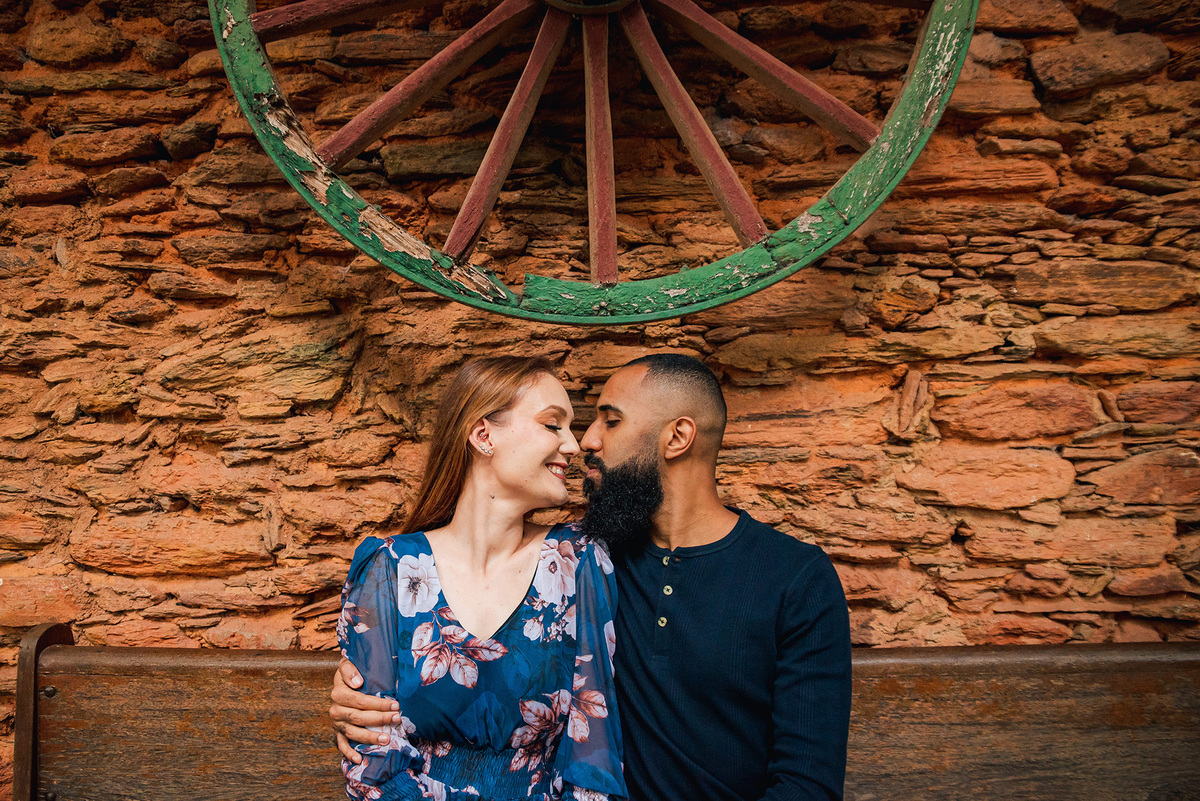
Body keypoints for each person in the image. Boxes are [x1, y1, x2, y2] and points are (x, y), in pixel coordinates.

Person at [334, 354, 852, 801]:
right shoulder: (596, 553)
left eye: (609, 420)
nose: (584, 442)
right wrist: (354, 700)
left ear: (677, 437)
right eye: (560, 424)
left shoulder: (793, 579)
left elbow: (807, 784)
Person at [335, 355, 626, 801]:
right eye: (553, 425)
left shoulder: (579, 563)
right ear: (483, 435)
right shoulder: (390, 568)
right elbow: (372, 763)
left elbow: (594, 757)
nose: (572, 444)